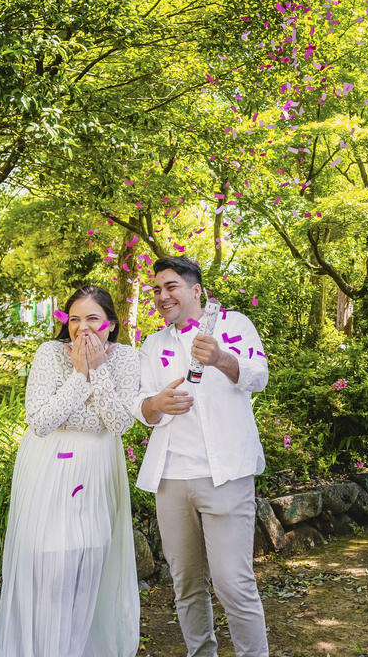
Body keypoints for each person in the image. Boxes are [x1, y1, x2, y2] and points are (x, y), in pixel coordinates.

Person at [0, 285, 141, 657]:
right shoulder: (49, 354)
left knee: (91, 561)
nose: (82, 327)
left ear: (111, 324)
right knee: (49, 562)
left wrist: (98, 372)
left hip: (99, 468)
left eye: (92, 318)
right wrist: (79, 375)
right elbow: (41, 421)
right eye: (74, 319)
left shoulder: (125, 358)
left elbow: (119, 422)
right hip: (51, 467)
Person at [133, 256, 270, 657]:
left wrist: (222, 358)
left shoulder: (234, 324)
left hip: (226, 474)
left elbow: (258, 376)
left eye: (170, 286)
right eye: (156, 289)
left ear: (196, 290)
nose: (161, 295)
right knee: (186, 584)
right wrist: (156, 402)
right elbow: (140, 407)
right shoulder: (153, 344)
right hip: (171, 479)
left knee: (233, 582)